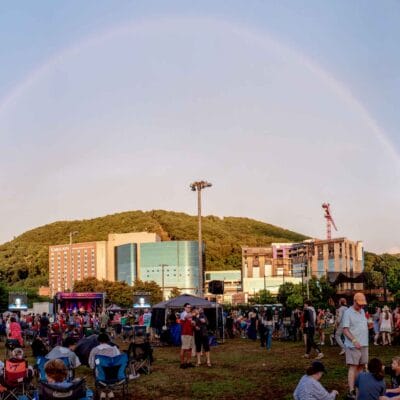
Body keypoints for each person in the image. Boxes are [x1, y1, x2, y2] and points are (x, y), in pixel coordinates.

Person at [342, 292, 369, 400]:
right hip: (353, 345)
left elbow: (362, 326)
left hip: (364, 344)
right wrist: (353, 340)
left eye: (363, 304)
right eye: (359, 304)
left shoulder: (362, 311)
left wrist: (369, 326)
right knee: (353, 366)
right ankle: (351, 391)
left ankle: (359, 388)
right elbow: (345, 329)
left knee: (361, 366)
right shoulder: (348, 313)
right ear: (354, 301)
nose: (361, 306)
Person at [179, 303, 194, 369]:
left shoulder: (189, 314)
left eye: (190, 307)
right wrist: (195, 312)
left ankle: (188, 362)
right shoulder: (183, 313)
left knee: (189, 349)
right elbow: (187, 316)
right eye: (188, 307)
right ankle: (182, 364)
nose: (189, 308)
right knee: (184, 348)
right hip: (185, 334)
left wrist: (193, 324)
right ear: (184, 308)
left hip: (190, 333)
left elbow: (190, 322)